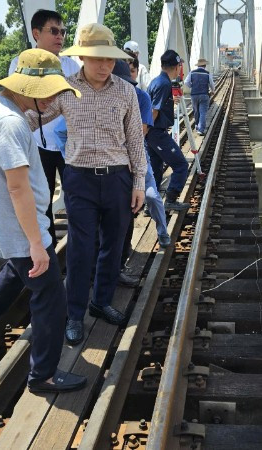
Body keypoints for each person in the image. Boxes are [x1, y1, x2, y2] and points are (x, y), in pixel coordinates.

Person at [0, 49, 87, 394]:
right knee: (51, 299)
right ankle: (43, 375)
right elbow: (18, 188)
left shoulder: (1, 108)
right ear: (26, 88)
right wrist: (36, 243)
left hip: (11, 227)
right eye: (46, 92)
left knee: (17, 272)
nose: (51, 100)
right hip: (21, 229)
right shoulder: (10, 123)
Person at [38, 24, 146, 345]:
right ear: (82, 57)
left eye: (110, 59)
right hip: (80, 179)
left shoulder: (125, 91)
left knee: (113, 245)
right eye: (97, 58)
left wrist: (139, 182)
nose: (104, 65)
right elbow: (36, 117)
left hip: (118, 178)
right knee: (80, 248)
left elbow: (135, 141)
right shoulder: (66, 89)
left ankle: (101, 301)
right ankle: (74, 314)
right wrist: (6, 114)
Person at [9, 9, 80, 245]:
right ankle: (47, 247)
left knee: (76, 197)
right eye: (54, 31)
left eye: (63, 31)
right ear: (36, 33)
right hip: (36, 145)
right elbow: (17, 106)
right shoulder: (19, 66)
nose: (60, 36)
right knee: (41, 198)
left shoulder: (72, 67)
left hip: (69, 145)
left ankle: (78, 245)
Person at [112, 58, 172, 287]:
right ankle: (115, 264)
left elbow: (141, 131)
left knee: (151, 196)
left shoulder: (141, 97)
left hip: (135, 156)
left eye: (132, 71)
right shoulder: (100, 97)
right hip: (112, 162)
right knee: (118, 214)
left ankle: (162, 232)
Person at [146, 49, 190, 211]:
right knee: (181, 164)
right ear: (177, 67)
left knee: (156, 169)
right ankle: (170, 199)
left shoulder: (157, 81)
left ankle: (150, 205)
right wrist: (144, 132)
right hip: (156, 132)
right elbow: (153, 111)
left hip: (153, 133)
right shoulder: (164, 84)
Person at [184, 58, 215, 135]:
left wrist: (192, 86)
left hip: (194, 95)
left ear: (198, 65)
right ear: (205, 65)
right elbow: (212, 84)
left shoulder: (192, 73)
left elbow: (186, 82)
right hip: (204, 94)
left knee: (196, 111)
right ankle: (201, 129)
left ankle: (197, 126)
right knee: (203, 112)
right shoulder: (207, 73)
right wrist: (212, 90)